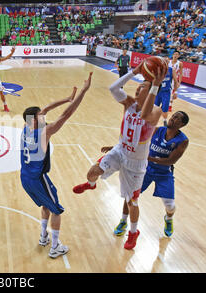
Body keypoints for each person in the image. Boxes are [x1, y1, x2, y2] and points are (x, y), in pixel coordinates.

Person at [72, 62, 166, 250]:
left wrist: (155, 84)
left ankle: (133, 232)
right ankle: (91, 185)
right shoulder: (129, 103)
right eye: (138, 86)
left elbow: (145, 113)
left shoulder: (155, 111)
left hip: (136, 163)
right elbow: (113, 87)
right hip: (120, 150)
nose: (138, 88)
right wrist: (134, 72)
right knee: (92, 172)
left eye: (142, 87)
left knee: (132, 202)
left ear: (151, 93)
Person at [21, 72, 93, 259]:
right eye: (39, 116)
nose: (43, 115)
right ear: (35, 120)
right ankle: (55, 247)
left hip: (25, 178)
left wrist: (67, 98)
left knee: (45, 205)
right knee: (56, 210)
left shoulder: (27, 127)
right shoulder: (44, 133)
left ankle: (43, 236)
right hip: (38, 178)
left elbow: (44, 109)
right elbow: (66, 115)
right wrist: (82, 93)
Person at [109, 111, 189, 238]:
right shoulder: (157, 130)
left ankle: (168, 219)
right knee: (130, 196)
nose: (173, 119)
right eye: (173, 116)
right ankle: (123, 222)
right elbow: (136, 140)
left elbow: (171, 161)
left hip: (164, 172)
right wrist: (117, 148)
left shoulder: (183, 141)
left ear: (182, 124)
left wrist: (149, 158)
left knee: (170, 205)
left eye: (177, 119)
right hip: (146, 169)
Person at [155, 58, 179, 127]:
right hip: (157, 91)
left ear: (168, 62)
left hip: (166, 92)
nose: (165, 62)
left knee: (165, 109)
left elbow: (175, 81)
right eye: (164, 61)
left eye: (167, 61)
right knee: (155, 107)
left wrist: (176, 91)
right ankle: (153, 121)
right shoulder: (157, 69)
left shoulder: (172, 70)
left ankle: (165, 121)